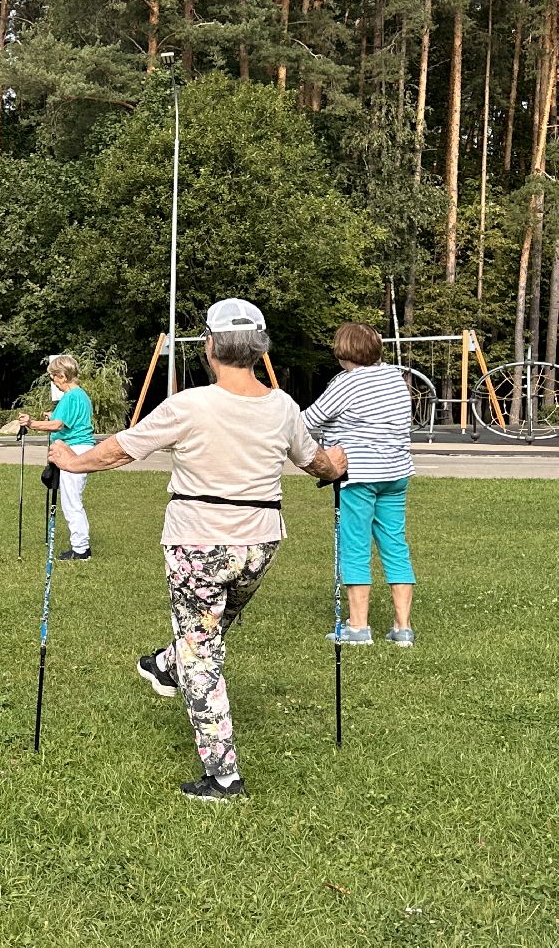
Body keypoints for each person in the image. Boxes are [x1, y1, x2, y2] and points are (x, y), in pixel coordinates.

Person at [47, 299, 347, 802]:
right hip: (259, 545)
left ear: (210, 346)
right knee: (206, 629)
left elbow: (122, 447)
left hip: (198, 542)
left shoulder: (191, 404)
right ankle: (167, 665)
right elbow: (317, 462)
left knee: (201, 650)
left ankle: (223, 776)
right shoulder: (283, 406)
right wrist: (336, 465)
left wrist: (72, 462)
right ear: (260, 348)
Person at [302, 322, 417, 648]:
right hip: (396, 473)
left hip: (359, 477)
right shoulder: (394, 377)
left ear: (343, 351)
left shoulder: (346, 383)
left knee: (354, 546)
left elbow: (308, 420)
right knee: (395, 544)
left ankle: (358, 626)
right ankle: (402, 627)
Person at [17, 354, 96, 560]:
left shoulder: (70, 396)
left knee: (72, 501)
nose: (52, 380)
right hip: (79, 449)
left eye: (53, 376)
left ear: (62, 375)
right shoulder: (81, 395)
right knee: (72, 499)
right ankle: (80, 546)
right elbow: (67, 420)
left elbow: (58, 425)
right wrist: (51, 416)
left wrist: (31, 423)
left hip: (74, 451)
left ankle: (81, 549)